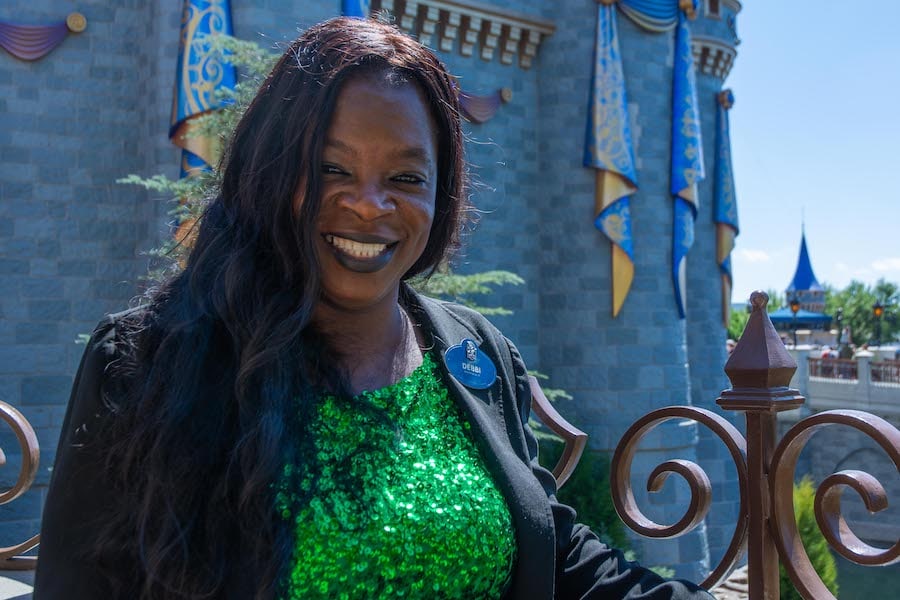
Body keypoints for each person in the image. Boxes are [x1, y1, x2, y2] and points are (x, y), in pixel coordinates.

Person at [34, 17, 714, 600]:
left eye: (406, 178)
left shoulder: (476, 355)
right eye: (331, 168)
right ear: (269, 172)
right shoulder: (146, 363)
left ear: (441, 196)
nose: (369, 203)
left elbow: (557, 556)